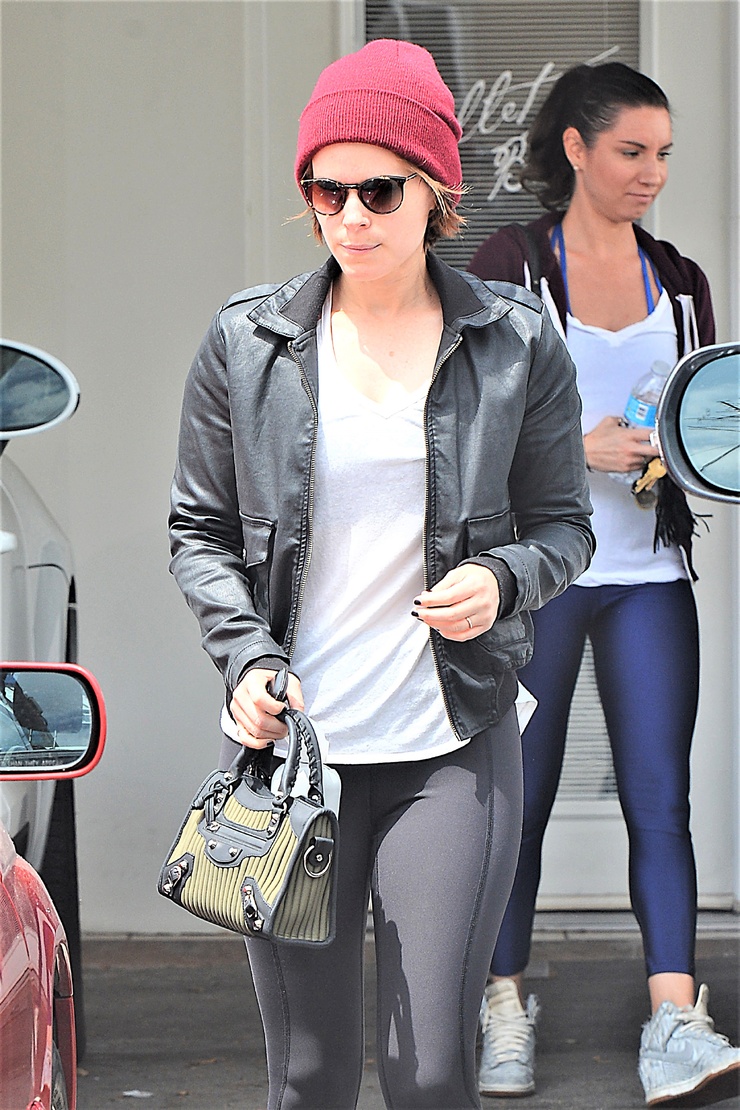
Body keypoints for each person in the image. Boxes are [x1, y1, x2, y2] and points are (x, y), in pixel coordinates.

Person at [169, 38, 593, 1110]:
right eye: (326, 190)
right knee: (309, 1075)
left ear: (435, 190)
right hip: (289, 752)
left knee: (431, 1071)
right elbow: (199, 530)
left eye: (378, 190)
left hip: (447, 739)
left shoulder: (514, 342)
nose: (349, 215)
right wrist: (244, 659)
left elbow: (563, 527)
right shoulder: (248, 342)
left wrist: (503, 579)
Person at [468, 61, 740, 1107]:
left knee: (659, 802)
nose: (650, 172)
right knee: (520, 803)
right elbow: (462, 417)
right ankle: (501, 1004)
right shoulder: (509, 266)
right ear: (576, 149)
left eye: (662, 154)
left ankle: (673, 1020)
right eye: (631, 151)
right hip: (538, 578)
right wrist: (574, 447)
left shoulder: (680, 279)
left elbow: (706, 418)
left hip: (646, 576)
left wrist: (680, 453)